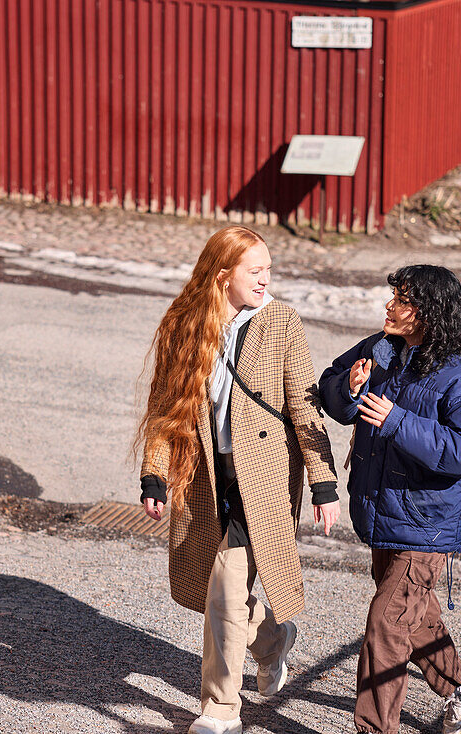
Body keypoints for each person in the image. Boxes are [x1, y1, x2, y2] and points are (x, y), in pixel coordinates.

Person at [137, 225, 340, 734]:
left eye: (269, 270)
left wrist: (323, 480)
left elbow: (304, 405)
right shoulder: (185, 326)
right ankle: (273, 641)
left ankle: (221, 710)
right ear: (223, 275)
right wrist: (154, 476)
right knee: (220, 587)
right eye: (255, 271)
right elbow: (166, 411)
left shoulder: (282, 325)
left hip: (265, 480)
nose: (266, 279)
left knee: (227, 590)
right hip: (206, 477)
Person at [318, 265, 461, 734]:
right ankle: (460, 684)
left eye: (402, 300)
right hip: (384, 508)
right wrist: (350, 390)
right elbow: (332, 385)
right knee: (409, 615)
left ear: (429, 313)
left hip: (428, 521)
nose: (390, 306)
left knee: (386, 622)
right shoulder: (380, 349)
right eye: (392, 296)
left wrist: (397, 421)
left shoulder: (459, 378)